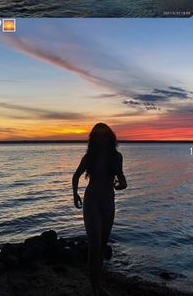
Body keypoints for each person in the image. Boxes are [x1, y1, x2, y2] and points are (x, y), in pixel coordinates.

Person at [72, 123, 127, 296]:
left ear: (110, 137)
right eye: (98, 136)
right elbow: (76, 176)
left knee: (102, 247)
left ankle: (98, 285)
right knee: (94, 247)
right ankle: (94, 288)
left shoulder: (117, 157)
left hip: (108, 202)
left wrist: (122, 184)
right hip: (92, 202)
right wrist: (75, 195)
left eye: (105, 135)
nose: (102, 138)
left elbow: (121, 178)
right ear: (94, 139)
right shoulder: (89, 157)